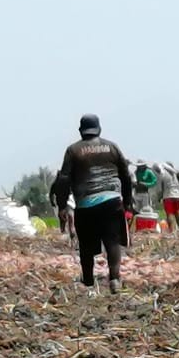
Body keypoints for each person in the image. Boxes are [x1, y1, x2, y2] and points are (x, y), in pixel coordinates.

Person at [55, 113, 133, 294]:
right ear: (99, 129)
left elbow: (63, 179)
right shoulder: (112, 147)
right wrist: (128, 202)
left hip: (85, 204)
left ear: (81, 130)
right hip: (112, 201)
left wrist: (62, 205)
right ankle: (114, 279)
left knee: (86, 245)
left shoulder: (73, 150)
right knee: (112, 241)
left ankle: (89, 282)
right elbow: (126, 176)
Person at [159, 162, 179, 231]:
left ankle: (172, 230)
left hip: (168, 196)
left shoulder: (163, 174)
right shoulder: (177, 174)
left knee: (169, 214)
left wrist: (160, 197)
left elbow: (162, 188)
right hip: (178, 196)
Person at [48, 173, 75, 238]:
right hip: (67, 202)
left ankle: (64, 231)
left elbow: (51, 195)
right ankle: (70, 230)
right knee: (70, 216)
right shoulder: (66, 181)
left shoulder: (55, 183)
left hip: (62, 203)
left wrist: (52, 203)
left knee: (63, 219)